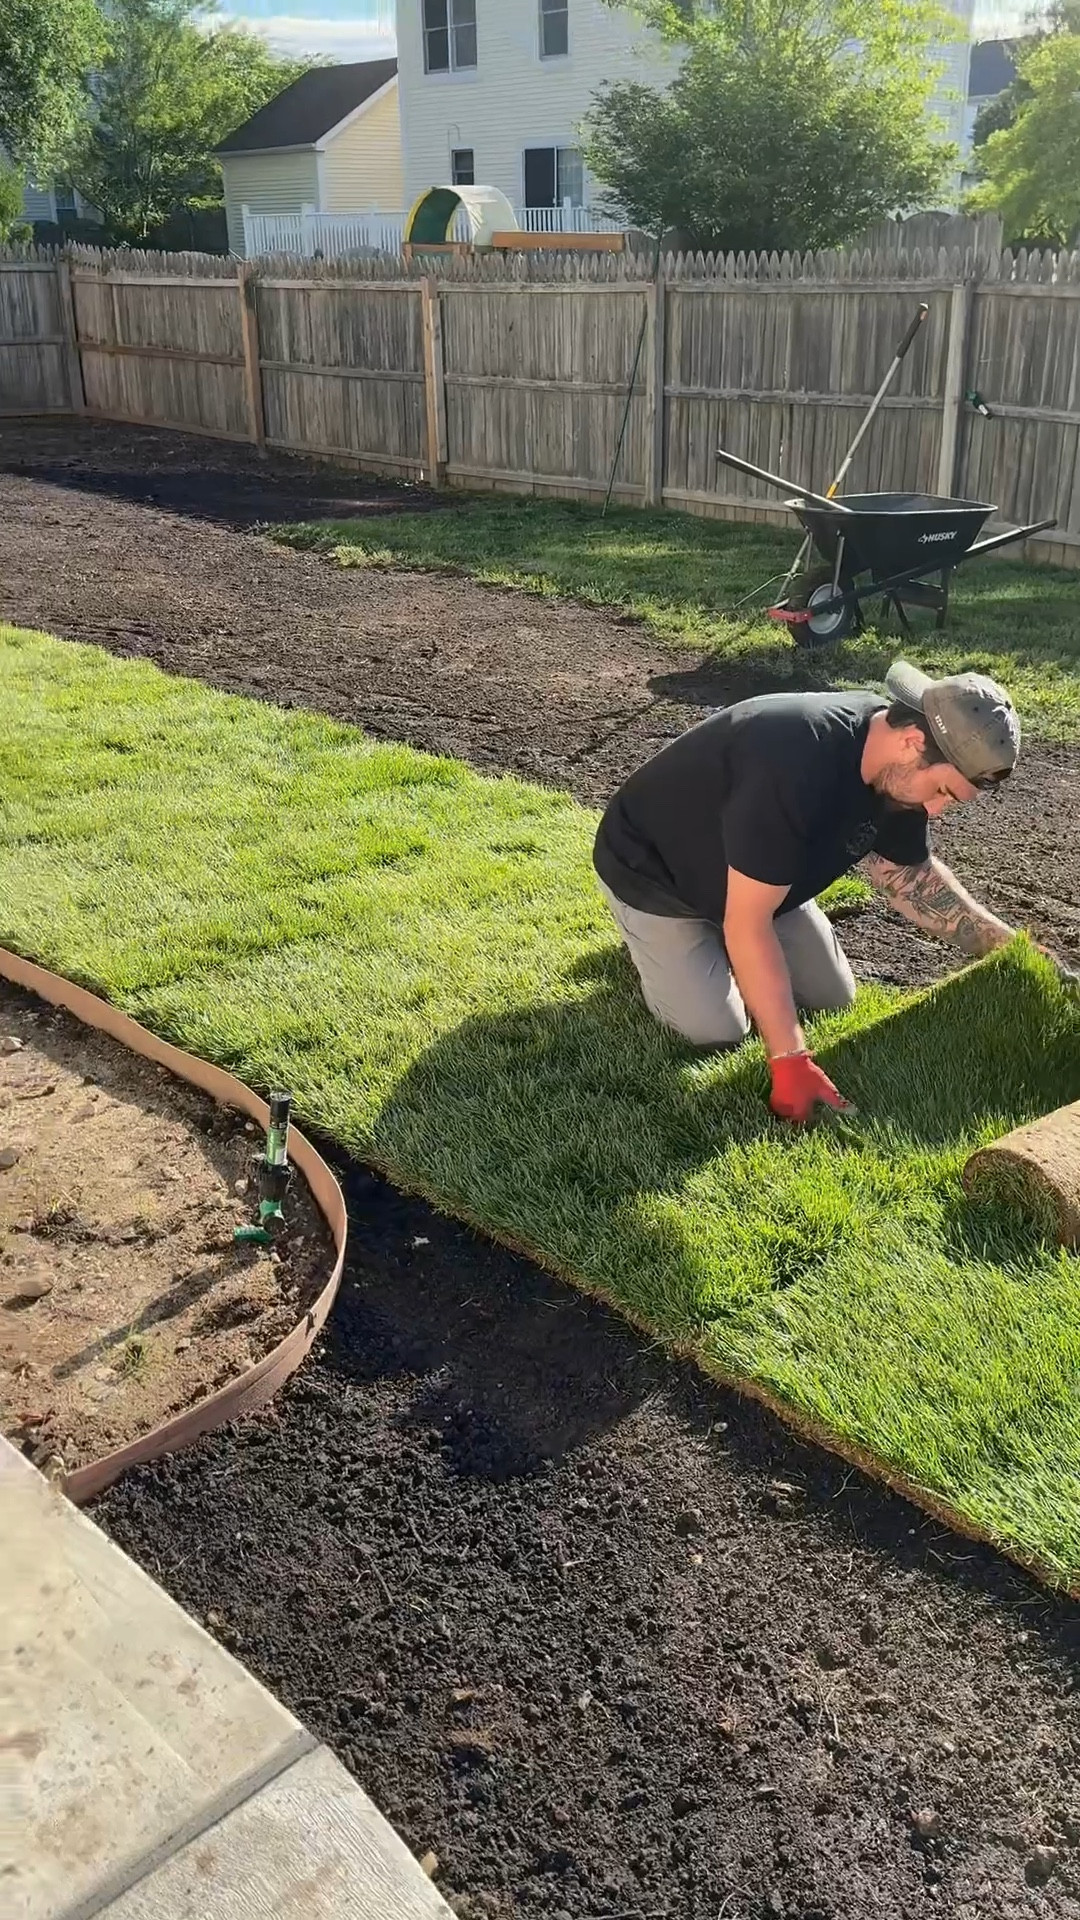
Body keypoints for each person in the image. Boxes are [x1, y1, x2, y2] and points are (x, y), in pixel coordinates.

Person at [594, 660, 1077, 1124]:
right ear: (913, 742)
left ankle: (718, 955)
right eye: (943, 793)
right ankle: (656, 945)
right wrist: (789, 1060)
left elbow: (908, 878)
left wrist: (1011, 948)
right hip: (658, 876)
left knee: (833, 998)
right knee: (717, 1031)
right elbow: (748, 923)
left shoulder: (899, 774)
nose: (936, 812)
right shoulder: (794, 760)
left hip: (768, 878)